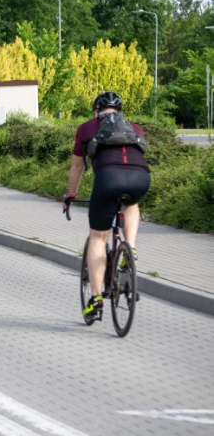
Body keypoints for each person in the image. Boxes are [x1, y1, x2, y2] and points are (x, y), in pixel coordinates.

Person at [63, 91, 150, 320]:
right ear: (119, 111)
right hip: (141, 177)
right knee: (131, 203)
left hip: (108, 178)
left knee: (98, 237)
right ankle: (130, 247)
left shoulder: (86, 128)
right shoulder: (135, 128)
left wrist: (71, 194)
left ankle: (95, 299)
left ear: (96, 111)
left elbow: (77, 167)